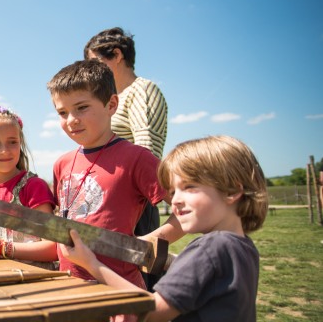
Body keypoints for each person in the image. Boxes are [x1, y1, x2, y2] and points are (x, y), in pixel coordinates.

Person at [60, 136, 269, 322]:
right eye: (172, 191)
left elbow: (151, 311)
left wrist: (92, 264)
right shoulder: (242, 247)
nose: (175, 200)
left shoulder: (211, 248)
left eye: (189, 187)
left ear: (232, 191)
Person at [46, 60, 183, 290]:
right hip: (69, 287)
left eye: (81, 107)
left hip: (119, 288)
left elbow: (188, 208)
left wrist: (150, 241)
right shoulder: (62, 163)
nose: (71, 120)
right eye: (62, 112)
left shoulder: (137, 158)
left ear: (111, 104)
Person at [84, 27, 169, 290]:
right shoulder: (114, 98)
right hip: (111, 200)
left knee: (135, 282)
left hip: (136, 202)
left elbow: (147, 150)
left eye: (96, 62)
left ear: (117, 55)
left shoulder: (143, 90)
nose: (92, 71)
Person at [0, 105, 57, 268]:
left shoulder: (34, 187)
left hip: (36, 279)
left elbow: (53, 248)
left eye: (12, 142)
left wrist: (2, 248)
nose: (5, 150)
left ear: (20, 143)